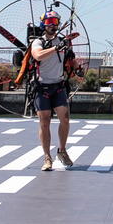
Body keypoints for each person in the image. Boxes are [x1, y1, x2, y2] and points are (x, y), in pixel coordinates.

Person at [32, 9, 73, 170]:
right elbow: (38, 56)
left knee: (65, 119)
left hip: (59, 85)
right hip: (42, 87)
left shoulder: (63, 42)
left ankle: (62, 151)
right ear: (43, 25)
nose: (52, 26)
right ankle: (47, 157)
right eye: (49, 23)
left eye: (55, 22)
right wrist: (57, 48)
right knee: (45, 121)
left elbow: (70, 59)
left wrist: (77, 68)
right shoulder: (38, 42)